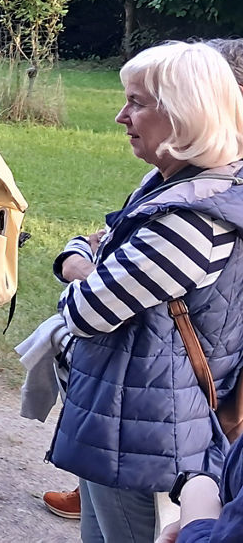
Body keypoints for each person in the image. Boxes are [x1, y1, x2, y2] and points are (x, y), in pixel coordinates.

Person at [49, 41, 243, 543]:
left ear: (183, 114)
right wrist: (88, 260)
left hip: (145, 433)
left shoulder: (193, 219)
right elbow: (100, 242)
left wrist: (80, 268)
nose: (120, 116)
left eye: (136, 102)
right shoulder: (176, 185)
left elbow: (85, 310)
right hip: (129, 415)